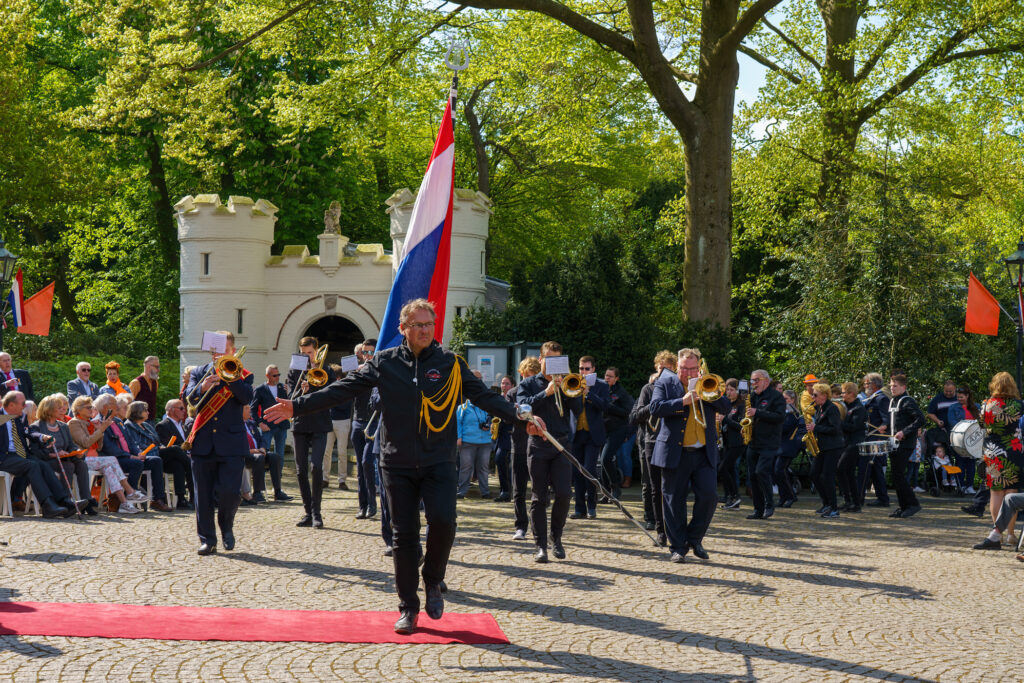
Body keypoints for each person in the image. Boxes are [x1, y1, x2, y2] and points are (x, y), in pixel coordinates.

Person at [265, 298, 528, 635]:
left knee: (444, 522)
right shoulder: (385, 362)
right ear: (403, 329)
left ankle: (432, 580)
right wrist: (297, 406)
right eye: (417, 325)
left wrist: (521, 419)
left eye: (428, 325)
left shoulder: (451, 363)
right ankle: (408, 607)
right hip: (396, 461)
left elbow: (484, 397)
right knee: (404, 538)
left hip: (439, 460)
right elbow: (343, 389)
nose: (424, 331)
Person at [648, 347, 731, 563]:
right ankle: (677, 547)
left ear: (699, 366)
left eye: (693, 368)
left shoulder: (708, 382)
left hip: (703, 452)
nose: (689, 373)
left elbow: (725, 407)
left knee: (710, 496)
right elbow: (655, 408)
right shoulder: (666, 382)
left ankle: (694, 539)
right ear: (677, 366)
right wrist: (682, 402)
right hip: (676, 452)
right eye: (684, 368)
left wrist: (709, 393)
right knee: (673, 500)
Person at [185, 330, 255, 555]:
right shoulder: (199, 372)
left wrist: (230, 378)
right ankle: (207, 539)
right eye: (216, 350)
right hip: (203, 441)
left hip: (232, 443)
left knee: (230, 492)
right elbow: (189, 398)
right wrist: (204, 387)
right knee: (202, 494)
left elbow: (246, 397)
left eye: (224, 350)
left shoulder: (243, 374)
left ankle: (226, 526)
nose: (218, 354)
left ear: (232, 351)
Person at [516, 341, 579, 562]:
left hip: (561, 445)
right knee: (538, 497)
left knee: (564, 493)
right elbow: (522, 408)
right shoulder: (530, 383)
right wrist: (545, 392)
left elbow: (578, 411)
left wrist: (576, 392)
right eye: (549, 360)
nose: (553, 365)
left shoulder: (564, 382)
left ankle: (557, 538)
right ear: (541, 359)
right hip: (538, 444)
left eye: (557, 360)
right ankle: (540, 545)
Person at [0, 391, 84, 517]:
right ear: (11, 405)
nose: (24, 407)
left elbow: (28, 432)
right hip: (4, 457)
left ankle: (64, 501)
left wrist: (42, 436)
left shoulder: (19, 416)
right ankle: (48, 505)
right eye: (22, 403)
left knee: (44, 465)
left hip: (20, 455)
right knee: (32, 465)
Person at [286, 336, 334, 529]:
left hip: (320, 423)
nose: (307, 357)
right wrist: (300, 390)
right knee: (300, 470)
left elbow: (331, 394)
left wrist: (313, 385)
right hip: (300, 424)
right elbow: (290, 398)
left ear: (316, 351)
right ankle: (307, 512)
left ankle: (317, 513)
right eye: (303, 353)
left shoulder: (326, 370)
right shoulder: (295, 370)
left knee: (316, 467)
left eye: (310, 353)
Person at [68, 395, 145, 513]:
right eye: (88, 407)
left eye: (91, 407)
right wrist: (101, 430)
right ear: (78, 409)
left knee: (109, 468)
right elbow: (86, 442)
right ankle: (130, 491)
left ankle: (124, 503)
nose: (91, 410)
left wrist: (99, 430)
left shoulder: (90, 423)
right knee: (112, 459)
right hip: (81, 459)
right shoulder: (74, 423)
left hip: (95, 459)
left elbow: (99, 446)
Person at [629, 351, 677, 543]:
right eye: (660, 368)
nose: (663, 371)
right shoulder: (647, 389)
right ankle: (659, 527)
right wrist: (655, 404)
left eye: (668, 368)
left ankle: (673, 526)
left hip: (671, 441)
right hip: (651, 440)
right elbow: (636, 415)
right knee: (653, 486)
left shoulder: (677, 388)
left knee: (672, 487)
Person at [99, 394, 170, 511]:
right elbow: (109, 447)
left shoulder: (118, 422)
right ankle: (128, 499)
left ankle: (157, 500)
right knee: (137, 464)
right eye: (115, 405)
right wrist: (130, 456)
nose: (118, 407)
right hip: (117, 458)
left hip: (130, 456)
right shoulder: (103, 423)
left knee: (156, 460)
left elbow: (131, 443)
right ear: (106, 407)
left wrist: (138, 453)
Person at [31, 394, 98, 515]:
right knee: (68, 466)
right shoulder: (36, 426)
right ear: (49, 409)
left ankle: (86, 501)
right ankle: (67, 502)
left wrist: (76, 451)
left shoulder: (63, 426)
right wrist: (51, 455)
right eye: (59, 407)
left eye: (63, 407)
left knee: (81, 464)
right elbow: (35, 451)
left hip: (64, 458)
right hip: (48, 460)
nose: (63, 409)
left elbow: (71, 445)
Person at [979, 372, 1024, 542]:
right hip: (1014, 451)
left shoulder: (987, 404)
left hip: (993, 452)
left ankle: (997, 533)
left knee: (996, 493)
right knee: (1011, 494)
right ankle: (1011, 534)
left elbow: (981, 424)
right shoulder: (1020, 405)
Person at [124, 400, 191, 509]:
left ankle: (180, 499)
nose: (148, 413)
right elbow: (136, 445)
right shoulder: (129, 426)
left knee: (177, 465)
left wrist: (161, 447)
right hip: (146, 454)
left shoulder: (147, 425)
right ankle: (158, 498)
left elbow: (157, 441)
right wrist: (157, 448)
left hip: (157, 452)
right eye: (145, 410)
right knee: (175, 449)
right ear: (137, 412)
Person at [570, 355, 609, 519]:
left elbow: (605, 406)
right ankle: (580, 509)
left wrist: (589, 394)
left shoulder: (602, 385)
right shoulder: (573, 382)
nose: (583, 372)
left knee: (589, 469)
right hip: (577, 434)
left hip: (593, 435)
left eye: (587, 369)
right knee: (577, 470)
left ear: (593, 369)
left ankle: (592, 506)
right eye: (581, 368)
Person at [744, 369, 785, 520]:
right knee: (752, 476)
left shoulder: (776, 397)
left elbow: (780, 417)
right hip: (753, 441)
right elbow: (748, 415)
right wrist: (744, 428)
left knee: (761, 472)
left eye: (756, 380)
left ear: (766, 381)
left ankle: (769, 504)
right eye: (752, 381)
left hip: (769, 442)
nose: (753, 384)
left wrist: (758, 412)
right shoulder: (753, 396)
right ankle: (758, 509)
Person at [509, 357, 540, 540]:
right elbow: (506, 418)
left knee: (539, 491)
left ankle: (539, 528)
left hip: (538, 446)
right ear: (521, 374)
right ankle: (520, 526)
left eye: (533, 376)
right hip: (519, 446)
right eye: (527, 375)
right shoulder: (513, 393)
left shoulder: (543, 393)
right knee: (518, 491)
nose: (529, 379)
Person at [886, 374, 925, 519]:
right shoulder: (894, 401)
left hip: (906, 443)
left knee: (898, 475)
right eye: (890, 385)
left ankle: (912, 504)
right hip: (894, 443)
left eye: (895, 386)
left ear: (903, 387)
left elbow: (920, 419)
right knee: (896, 476)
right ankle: (904, 506)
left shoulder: (907, 401)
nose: (892, 388)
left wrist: (904, 432)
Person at [250, 365, 291, 501]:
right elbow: (253, 409)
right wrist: (260, 423)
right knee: (263, 455)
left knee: (280, 456)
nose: (277, 377)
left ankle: (277, 488)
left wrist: (288, 392)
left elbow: (287, 404)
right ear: (267, 376)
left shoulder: (281, 388)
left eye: (278, 375)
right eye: (274, 375)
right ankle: (259, 488)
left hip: (282, 425)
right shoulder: (260, 389)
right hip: (268, 426)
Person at [806, 382, 845, 518]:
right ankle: (826, 503)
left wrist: (816, 428)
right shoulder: (820, 408)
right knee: (814, 474)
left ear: (824, 395)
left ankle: (834, 508)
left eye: (815, 395)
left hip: (833, 447)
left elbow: (835, 429)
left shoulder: (832, 409)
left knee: (827, 477)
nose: (813, 397)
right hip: (822, 447)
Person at [350, 342, 378, 519]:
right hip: (357, 421)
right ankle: (363, 505)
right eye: (364, 352)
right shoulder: (358, 372)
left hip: (373, 421)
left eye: (370, 352)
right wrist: (355, 376)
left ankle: (373, 504)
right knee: (360, 466)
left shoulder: (379, 371)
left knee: (368, 462)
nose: (367, 355)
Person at [599, 366, 634, 498]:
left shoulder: (621, 392)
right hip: (603, 430)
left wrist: (609, 407)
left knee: (606, 458)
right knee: (603, 463)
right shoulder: (601, 389)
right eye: (606, 375)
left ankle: (615, 487)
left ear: (616, 379)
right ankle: (606, 492)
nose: (607, 378)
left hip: (618, 429)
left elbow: (628, 412)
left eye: (610, 376)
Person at [155, 399, 196, 509]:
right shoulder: (162, 425)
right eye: (181, 408)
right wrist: (185, 454)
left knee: (180, 466)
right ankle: (184, 498)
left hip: (180, 461)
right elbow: (166, 447)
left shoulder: (182, 425)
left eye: (184, 408)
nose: (184, 411)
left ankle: (189, 498)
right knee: (178, 454)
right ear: (171, 410)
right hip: (167, 460)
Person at [859, 373, 891, 508]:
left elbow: (887, 417)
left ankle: (858, 498)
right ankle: (883, 498)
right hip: (870, 436)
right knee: (876, 469)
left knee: (864, 468)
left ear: (874, 384)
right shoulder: (872, 398)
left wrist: (885, 425)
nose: (865, 386)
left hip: (876, 438)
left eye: (867, 384)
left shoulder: (881, 398)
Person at [456, 383, 493, 499]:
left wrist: (489, 425)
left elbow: (491, 420)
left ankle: (485, 492)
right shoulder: (463, 407)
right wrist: (459, 437)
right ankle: (462, 492)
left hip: (485, 442)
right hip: (467, 441)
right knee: (466, 467)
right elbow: (458, 423)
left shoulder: (486, 407)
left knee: (483, 468)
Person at [837, 382, 867, 512]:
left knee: (840, 469)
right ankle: (853, 502)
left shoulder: (859, 408)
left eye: (843, 392)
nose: (841, 395)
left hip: (854, 443)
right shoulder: (847, 406)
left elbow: (854, 427)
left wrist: (838, 422)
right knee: (848, 473)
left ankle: (851, 501)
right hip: (847, 443)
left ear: (851, 394)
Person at [323, 363, 353, 491]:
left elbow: (345, 406)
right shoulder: (330, 388)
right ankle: (325, 478)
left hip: (342, 421)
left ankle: (342, 480)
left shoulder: (346, 389)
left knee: (342, 452)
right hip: (329, 420)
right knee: (326, 452)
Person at [718, 378, 746, 511]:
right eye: (727, 390)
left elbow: (741, 425)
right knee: (727, 469)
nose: (728, 392)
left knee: (723, 468)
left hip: (737, 443)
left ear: (738, 391)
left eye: (731, 390)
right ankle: (732, 498)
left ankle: (735, 496)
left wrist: (725, 420)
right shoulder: (727, 405)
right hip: (727, 442)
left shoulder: (741, 406)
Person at [948, 385, 981, 495]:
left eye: (961, 397)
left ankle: (970, 486)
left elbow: (981, 421)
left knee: (971, 464)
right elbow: (952, 422)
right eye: (958, 397)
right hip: (959, 439)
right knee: (960, 463)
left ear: (967, 396)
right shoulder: (953, 407)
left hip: (973, 439)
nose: (959, 399)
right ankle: (960, 485)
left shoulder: (977, 407)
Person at [776, 389, 805, 507]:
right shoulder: (785, 412)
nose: (784, 401)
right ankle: (783, 497)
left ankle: (791, 496)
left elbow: (784, 428)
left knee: (780, 470)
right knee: (777, 472)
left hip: (789, 447)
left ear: (792, 400)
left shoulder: (793, 414)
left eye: (786, 399)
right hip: (781, 446)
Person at [238, 404, 267, 505]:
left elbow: (261, 439)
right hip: (247, 454)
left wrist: (262, 448)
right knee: (258, 458)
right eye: (246, 408)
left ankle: (278, 491)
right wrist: (253, 451)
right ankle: (257, 493)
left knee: (275, 457)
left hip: (257, 452)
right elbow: (237, 444)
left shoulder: (251, 423)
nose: (249, 410)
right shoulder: (236, 425)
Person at [492, 374, 515, 502]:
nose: (504, 386)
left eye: (507, 384)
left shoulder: (513, 398)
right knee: (500, 460)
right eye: (502, 383)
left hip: (510, 433)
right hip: (500, 436)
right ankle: (504, 491)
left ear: (512, 386)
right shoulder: (498, 399)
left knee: (506, 461)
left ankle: (508, 491)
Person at [128, 356, 160, 423]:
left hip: (151, 420)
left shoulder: (155, 382)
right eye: (157, 367)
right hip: (138, 421)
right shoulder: (136, 382)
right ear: (149, 366)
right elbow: (128, 403)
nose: (158, 370)